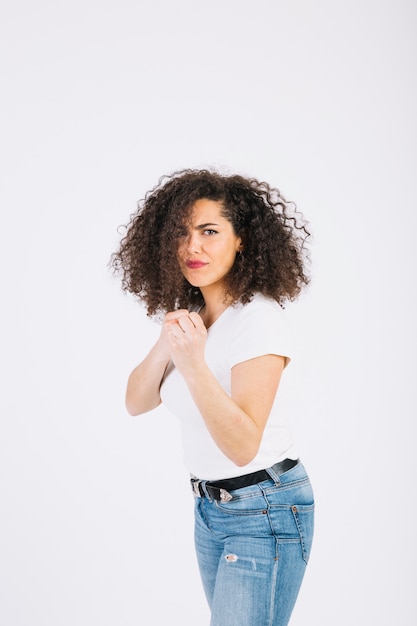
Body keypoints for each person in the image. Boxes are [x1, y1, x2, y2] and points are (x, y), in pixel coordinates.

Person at [111, 168, 314, 626]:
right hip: (210, 509)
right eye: (181, 234)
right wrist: (169, 343)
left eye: (209, 231)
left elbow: (242, 446)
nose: (192, 247)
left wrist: (193, 363)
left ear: (241, 239)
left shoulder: (257, 320)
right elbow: (136, 401)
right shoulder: (193, 317)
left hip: (264, 507)